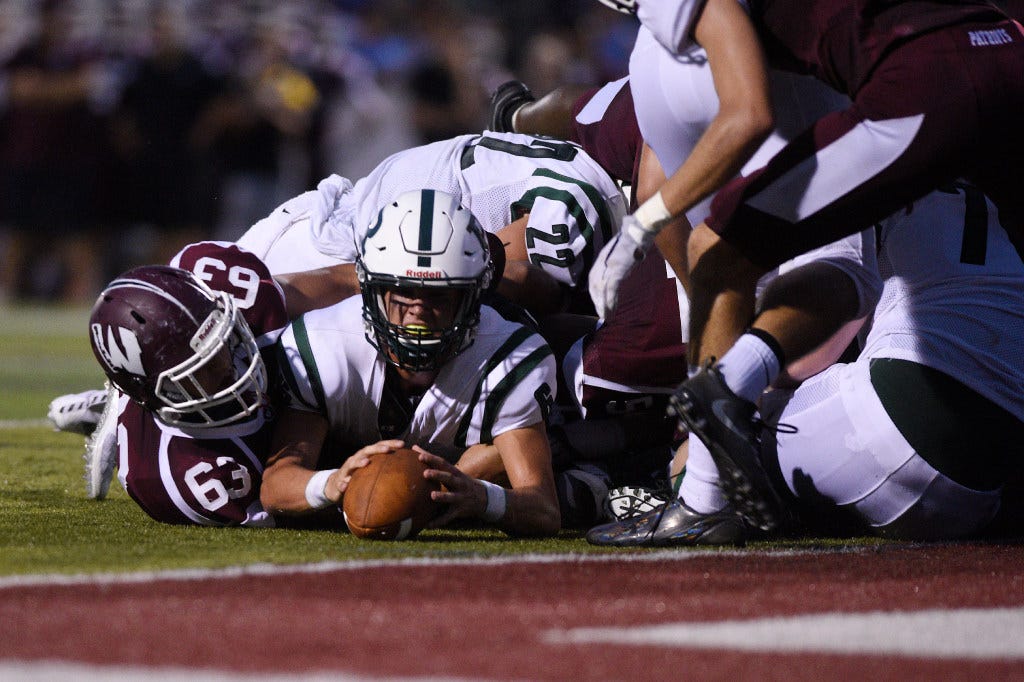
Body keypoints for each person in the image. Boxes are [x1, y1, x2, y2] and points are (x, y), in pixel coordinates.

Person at [588, 0, 1024, 529]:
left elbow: (745, 115)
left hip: (898, 418)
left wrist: (646, 222)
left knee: (724, 251)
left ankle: (705, 480)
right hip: (997, 463)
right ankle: (730, 391)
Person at [588, 183, 1024, 545]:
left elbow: (817, 342)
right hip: (990, 479)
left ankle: (694, 503)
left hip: (897, 421)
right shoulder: (969, 177)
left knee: (716, 442)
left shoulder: (860, 149)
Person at [262, 190, 561, 537]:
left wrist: (483, 498)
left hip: (504, 401)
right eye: (403, 291)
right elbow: (275, 485)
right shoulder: (327, 343)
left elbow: (543, 508)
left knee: (491, 459)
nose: (417, 309)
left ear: (473, 297)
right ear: (371, 291)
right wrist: (331, 483)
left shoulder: (508, 357)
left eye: (438, 295)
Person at [82, 243, 349, 528]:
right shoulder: (177, 476)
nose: (228, 368)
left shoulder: (223, 286)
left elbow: (343, 281)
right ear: (162, 396)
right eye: (203, 370)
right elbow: (307, 504)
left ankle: (117, 397)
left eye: (224, 343)